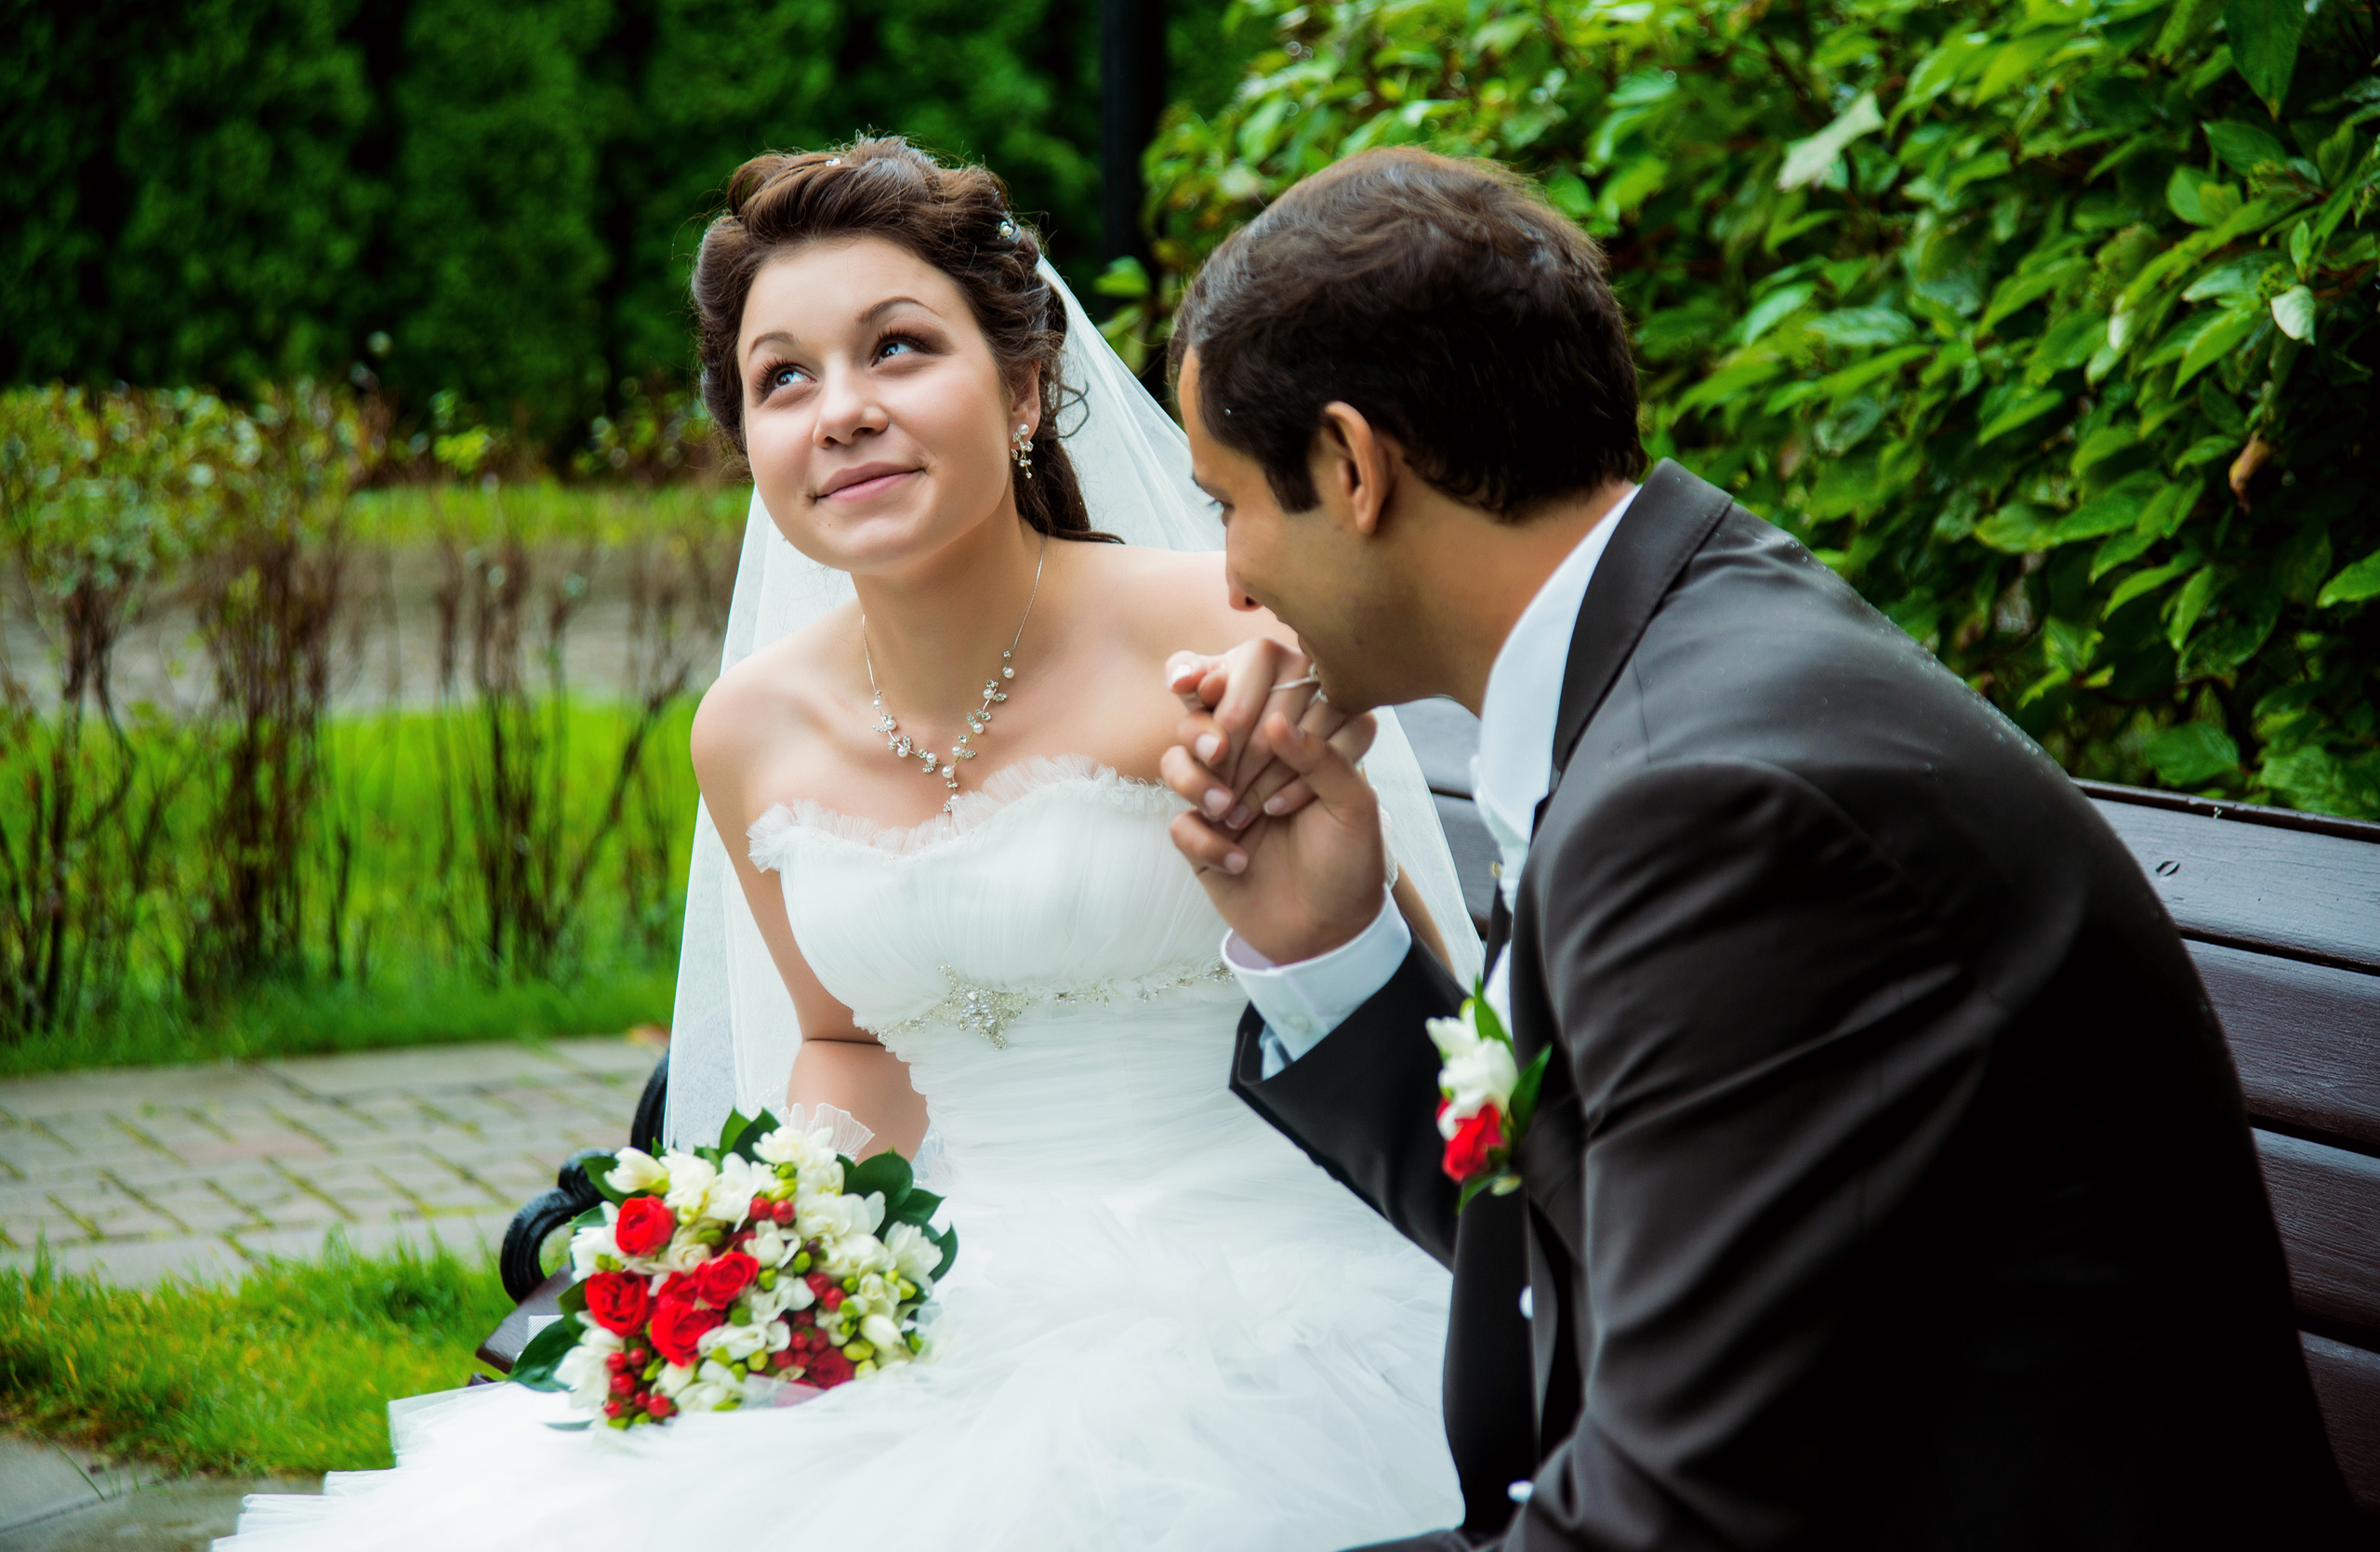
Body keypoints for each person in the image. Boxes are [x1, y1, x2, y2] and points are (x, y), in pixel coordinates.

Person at [221, 139, 1481, 1550]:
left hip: (1278, 1274)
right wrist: (762, 1248)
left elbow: (1408, 994)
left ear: (1019, 389)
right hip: (963, 1280)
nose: (843, 412)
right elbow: (855, 1046)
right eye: (785, 378)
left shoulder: (1232, 630)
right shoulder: (750, 729)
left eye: (897, 349)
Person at [1158, 148, 2359, 1550]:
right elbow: (1602, 1236)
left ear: (1355, 465)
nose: (1233, 580)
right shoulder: (1669, 668)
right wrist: (1336, 949)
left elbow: (1675, 1519)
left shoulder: (1712, 806)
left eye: (1227, 501)